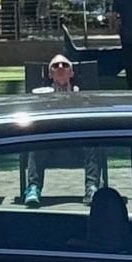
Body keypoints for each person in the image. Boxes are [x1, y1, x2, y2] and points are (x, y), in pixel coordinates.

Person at [23, 55, 103, 208]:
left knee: (93, 142)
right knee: (36, 142)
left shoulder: (81, 96)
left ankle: (92, 188)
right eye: (55, 66)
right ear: (50, 74)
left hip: (76, 145)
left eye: (65, 65)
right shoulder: (41, 95)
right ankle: (33, 188)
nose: (60, 67)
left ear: (71, 73)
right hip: (50, 145)